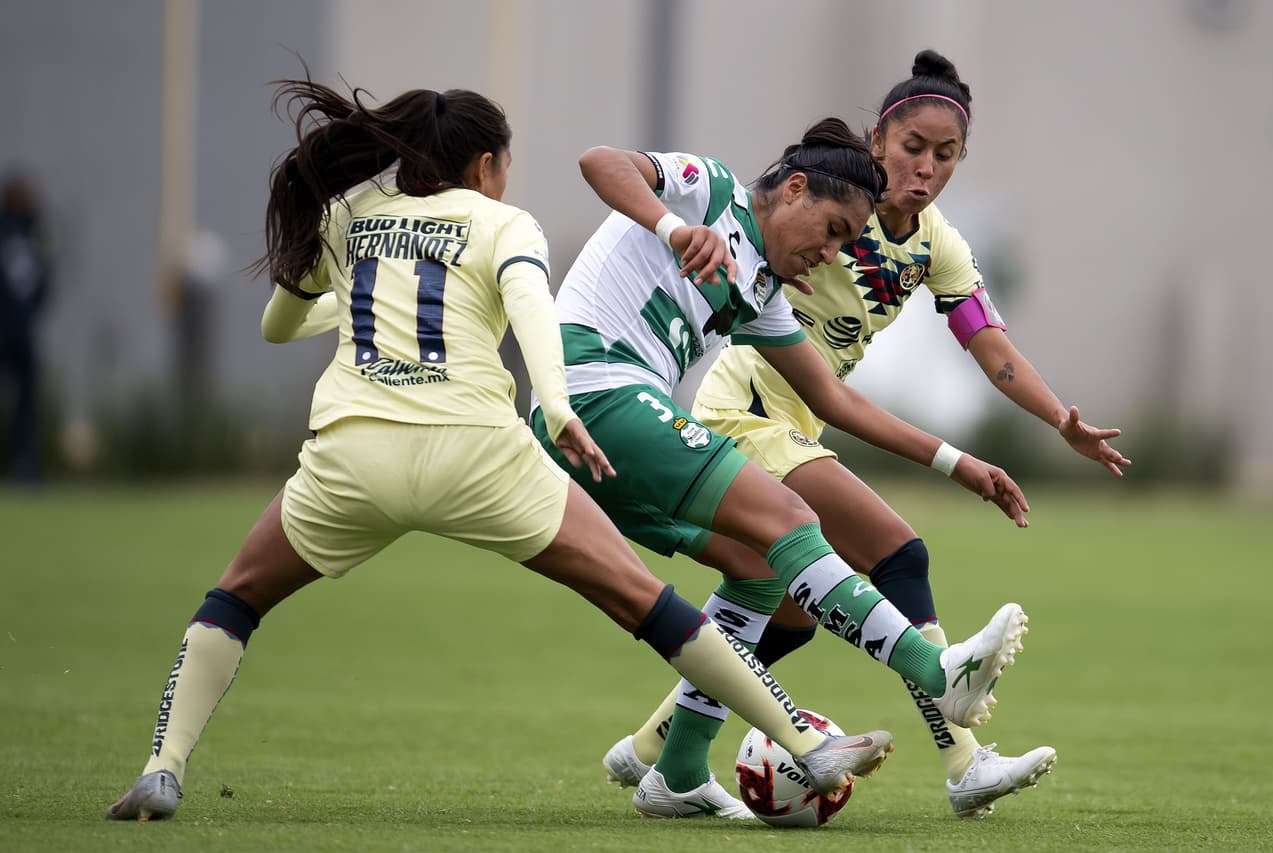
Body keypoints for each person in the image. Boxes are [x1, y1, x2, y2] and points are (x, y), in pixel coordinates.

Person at [103, 76, 901, 822]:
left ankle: (162, 766)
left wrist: (352, 300)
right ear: (485, 166)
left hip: (352, 456)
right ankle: (805, 742)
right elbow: (538, 326)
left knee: (237, 596)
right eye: (506, 168)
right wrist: (560, 412)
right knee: (646, 601)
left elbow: (278, 326)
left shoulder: (350, 218)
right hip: (479, 455)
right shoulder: (504, 223)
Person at [601, 50, 1129, 820]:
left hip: (802, 417)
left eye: (946, 156)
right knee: (898, 551)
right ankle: (963, 757)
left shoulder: (937, 244)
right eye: (913, 146)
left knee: (784, 610)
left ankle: (657, 748)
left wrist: (1060, 419)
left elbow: (989, 341)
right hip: (744, 408)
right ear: (878, 142)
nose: (926, 168)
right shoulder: (831, 195)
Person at [530, 116, 1032, 819]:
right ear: (793, 188)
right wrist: (673, 229)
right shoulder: (712, 194)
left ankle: (674, 772)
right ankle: (934, 672)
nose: (828, 255)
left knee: (761, 566)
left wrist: (954, 462)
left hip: (605, 439)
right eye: (829, 231)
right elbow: (598, 158)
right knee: (793, 519)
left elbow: (832, 398)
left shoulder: (761, 292)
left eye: (844, 245)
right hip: (594, 396)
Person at [0, 172, 53, 482]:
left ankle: (24, 465)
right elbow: (44, 287)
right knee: (25, 405)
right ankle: (24, 465)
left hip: (19, 334)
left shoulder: (32, 238)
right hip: (19, 334)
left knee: (26, 404)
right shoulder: (32, 240)